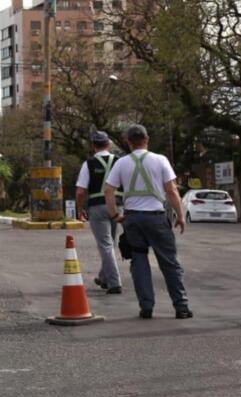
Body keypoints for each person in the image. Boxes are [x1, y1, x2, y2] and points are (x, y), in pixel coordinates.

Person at [104, 124, 192, 319]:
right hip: (156, 217)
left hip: (132, 219)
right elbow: (171, 190)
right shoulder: (160, 160)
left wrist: (115, 215)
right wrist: (180, 215)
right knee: (169, 262)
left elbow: (108, 191)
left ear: (128, 142)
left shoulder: (121, 163)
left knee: (139, 261)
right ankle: (181, 306)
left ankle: (146, 307)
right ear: (147, 139)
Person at [75, 131, 123, 294]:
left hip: (97, 207)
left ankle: (114, 282)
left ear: (93, 146)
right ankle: (104, 277)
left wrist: (79, 209)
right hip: (117, 206)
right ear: (108, 144)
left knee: (105, 245)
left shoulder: (89, 164)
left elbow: (81, 191)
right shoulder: (119, 162)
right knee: (111, 244)